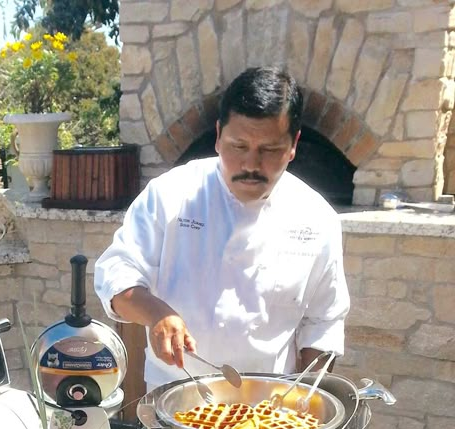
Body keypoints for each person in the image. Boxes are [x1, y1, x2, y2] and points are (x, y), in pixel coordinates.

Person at [94, 66, 350, 391]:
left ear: (293, 145)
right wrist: (156, 313)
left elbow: (323, 321)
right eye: (238, 146)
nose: (251, 165)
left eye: (269, 150)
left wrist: (308, 398)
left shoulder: (317, 218)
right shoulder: (172, 194)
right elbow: (115, 274)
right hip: (176, 399)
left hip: (269, 410)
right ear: (218, 137)